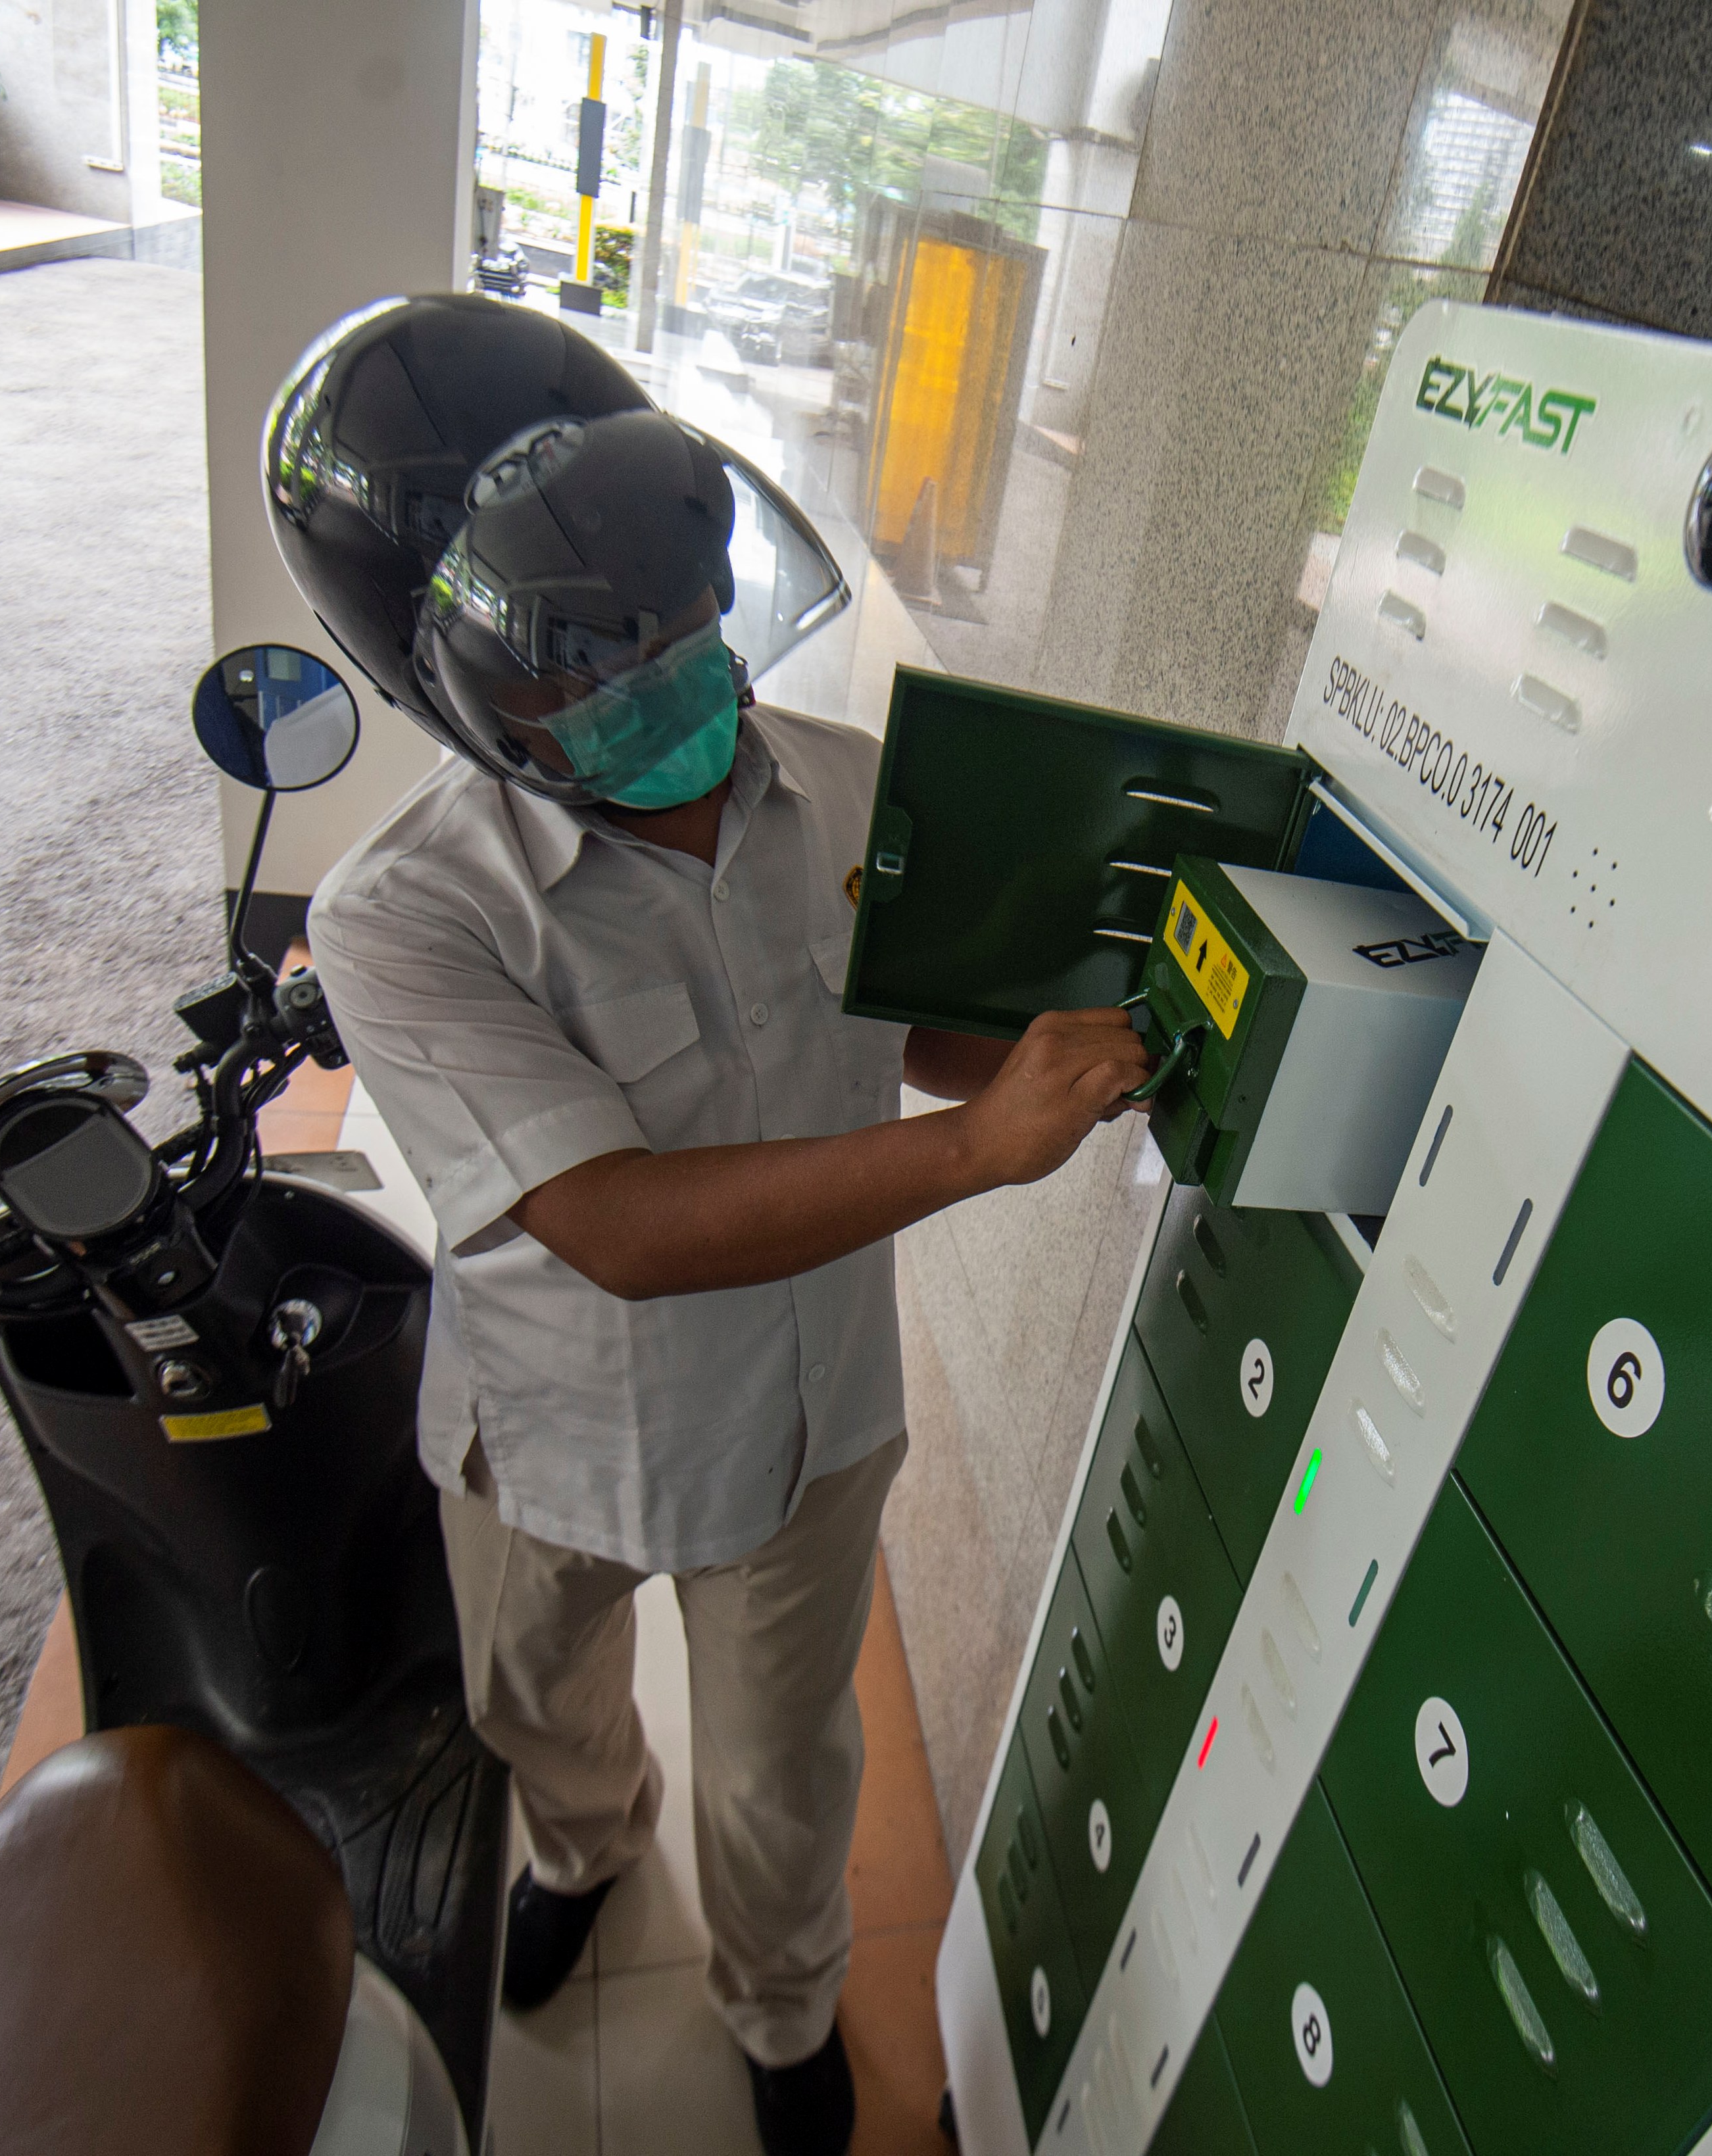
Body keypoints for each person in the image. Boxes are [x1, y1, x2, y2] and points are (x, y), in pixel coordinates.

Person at [266, 297, 1152, 2156]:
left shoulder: (836, 794)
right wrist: (980, 1155)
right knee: (536, 1704)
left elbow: (904, 1020)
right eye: (597, 668)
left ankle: (780, 2013)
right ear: (462, 691)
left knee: (782, 1786)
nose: (678, 682)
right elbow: (614, 1222)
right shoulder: (401, 916)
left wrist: (1075, 1039)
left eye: (687, 625)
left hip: (803, 1425)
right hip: (549, 1422)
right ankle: (587, 1850)